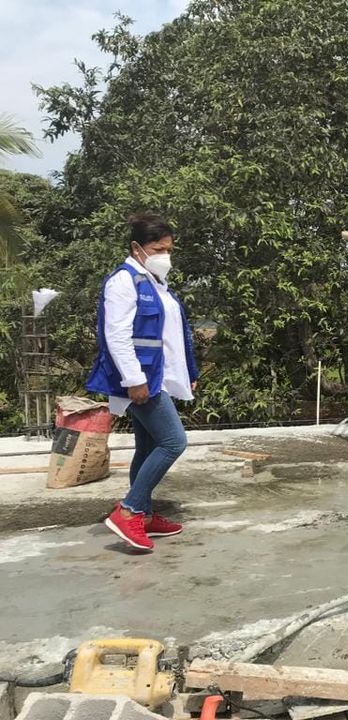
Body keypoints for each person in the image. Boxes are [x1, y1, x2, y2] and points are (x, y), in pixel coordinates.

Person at [86, 213, 199, 551]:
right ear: (137, 247)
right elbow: (117, 336)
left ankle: (145, 516)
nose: (165, 255)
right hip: (141, 381)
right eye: (158, 249)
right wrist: (134, 380)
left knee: (148, 448)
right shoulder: (123, 282)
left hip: (158, 377)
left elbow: (173, 336)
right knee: (173, 442)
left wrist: (188, 374)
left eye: (169, 249)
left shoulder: (156, 283)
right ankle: (129, 510)